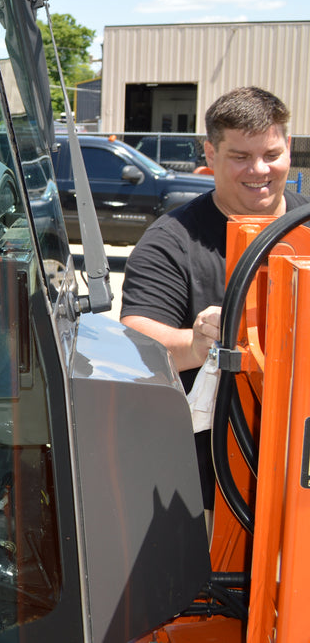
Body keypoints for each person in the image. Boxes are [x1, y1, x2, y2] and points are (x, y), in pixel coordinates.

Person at [120, 86, 307, 515]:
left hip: (296, 475)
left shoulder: (308, 227)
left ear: (289, 148)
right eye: (240, 156)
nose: (259, 170)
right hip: (210, 487)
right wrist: (201, 343)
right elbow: (137, 341)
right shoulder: (172, 240)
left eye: (271, 154)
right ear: (210, 152)